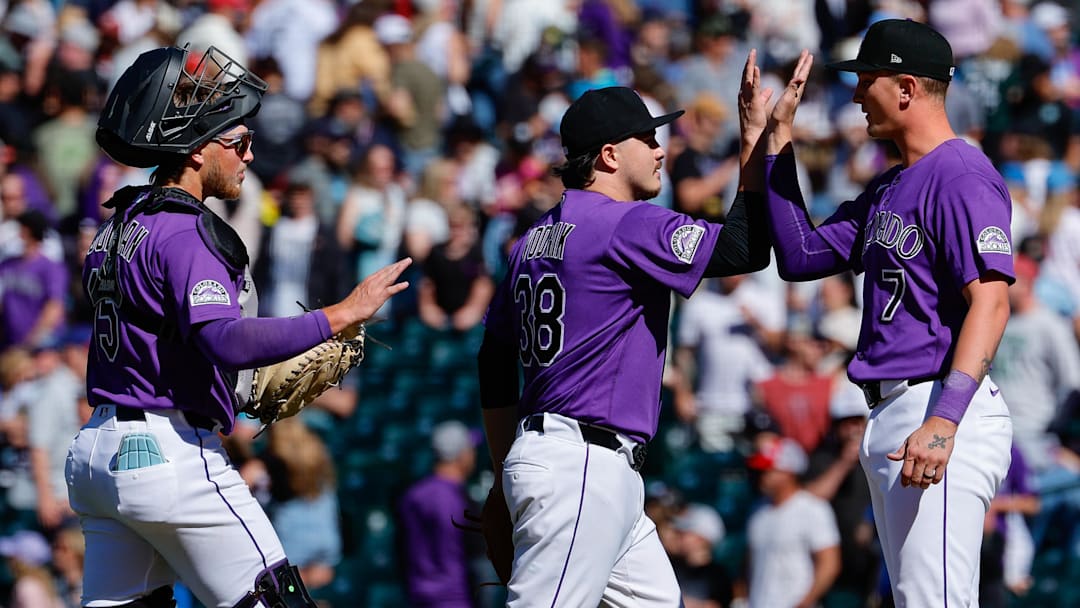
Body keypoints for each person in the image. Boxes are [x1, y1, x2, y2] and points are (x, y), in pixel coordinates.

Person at [65, 45, 411, 608]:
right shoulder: (185, 230)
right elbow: (222, 340)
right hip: (170, 451)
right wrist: (340, 315)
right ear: (199, 150)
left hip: (97, 457)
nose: (251, 156)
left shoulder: (121, 221)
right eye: (241, 142)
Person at [752, 19, 1016, 607]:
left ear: (905, 88)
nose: (853, 94)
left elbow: (992, 302)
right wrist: (777, 143)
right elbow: (800, 255)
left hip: (940, 409)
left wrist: (944, 421)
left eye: (865, 79)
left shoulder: (962, 174)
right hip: (896, 412)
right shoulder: (892, 185)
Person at [477, 83, 772, 606]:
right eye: (647, 138)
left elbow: (494, 362)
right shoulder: (625, 223)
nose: (661, 149)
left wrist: (504, 478)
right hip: (582, 469)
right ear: (610, 154)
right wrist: (751, 145)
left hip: (569, 463)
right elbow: (744, 249)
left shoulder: (529, 241)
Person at [745, 436, 840, 608]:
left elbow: (829, 564)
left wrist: (805, 602)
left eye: (769, 470)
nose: (763, 477)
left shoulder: (813, 508)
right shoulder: (757, 511)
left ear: (788, 471)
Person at [397, 419, 479, 608]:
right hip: (457, 599)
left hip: (418, 598)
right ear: (461, 455)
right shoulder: (459, 498)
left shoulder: (412, 495)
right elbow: (476, 558)